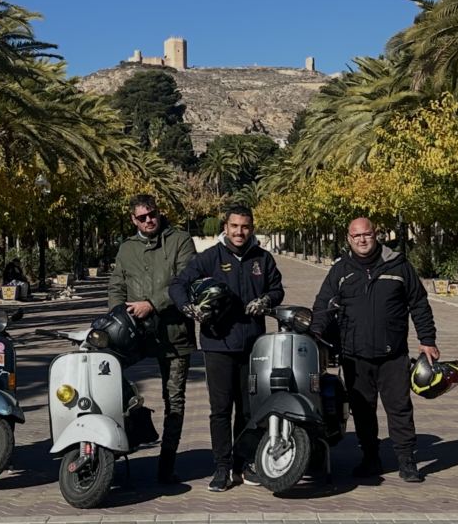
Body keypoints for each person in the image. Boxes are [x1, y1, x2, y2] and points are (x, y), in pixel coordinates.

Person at [310, 218, 439, 483]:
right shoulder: (341, 270)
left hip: (393, 355)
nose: (362, 240)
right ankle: (370, 459)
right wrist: (316, 332)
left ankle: (406, 461)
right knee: (363, 412)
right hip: (354, 356)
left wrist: (427, 340)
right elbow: (324, 305)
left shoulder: (399, 265)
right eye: (356, 236)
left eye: (366, 234)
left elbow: (419, 304)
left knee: (399, 409)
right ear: (349, 238)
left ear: (375, 235)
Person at [170, 205, 284, 492]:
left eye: (245, 227)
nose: (239, 232)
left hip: (254, 346)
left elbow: (277, 289)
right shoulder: (209, 258)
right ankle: (222, 467)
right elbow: (178, 284)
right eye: (235, 226)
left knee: (248, 410)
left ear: (252, 227)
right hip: (218, 344)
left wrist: (267, 301)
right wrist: (188, 307)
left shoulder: (263, 258)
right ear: (226, 226)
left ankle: (243, 464)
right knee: (220, 410)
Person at [107, 194, 198, 484]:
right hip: (133, 336)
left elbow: (186, 281)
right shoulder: (126, 248)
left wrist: (152, 304)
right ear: (133, 220)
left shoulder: (180, 240)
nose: (149, 220)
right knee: (107, 384)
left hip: (174, 335)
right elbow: (117, 287)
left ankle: (167, 463)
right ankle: (122, 442)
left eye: (152, 214)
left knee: (175, 400)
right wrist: (118, 318)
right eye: (142, 217)